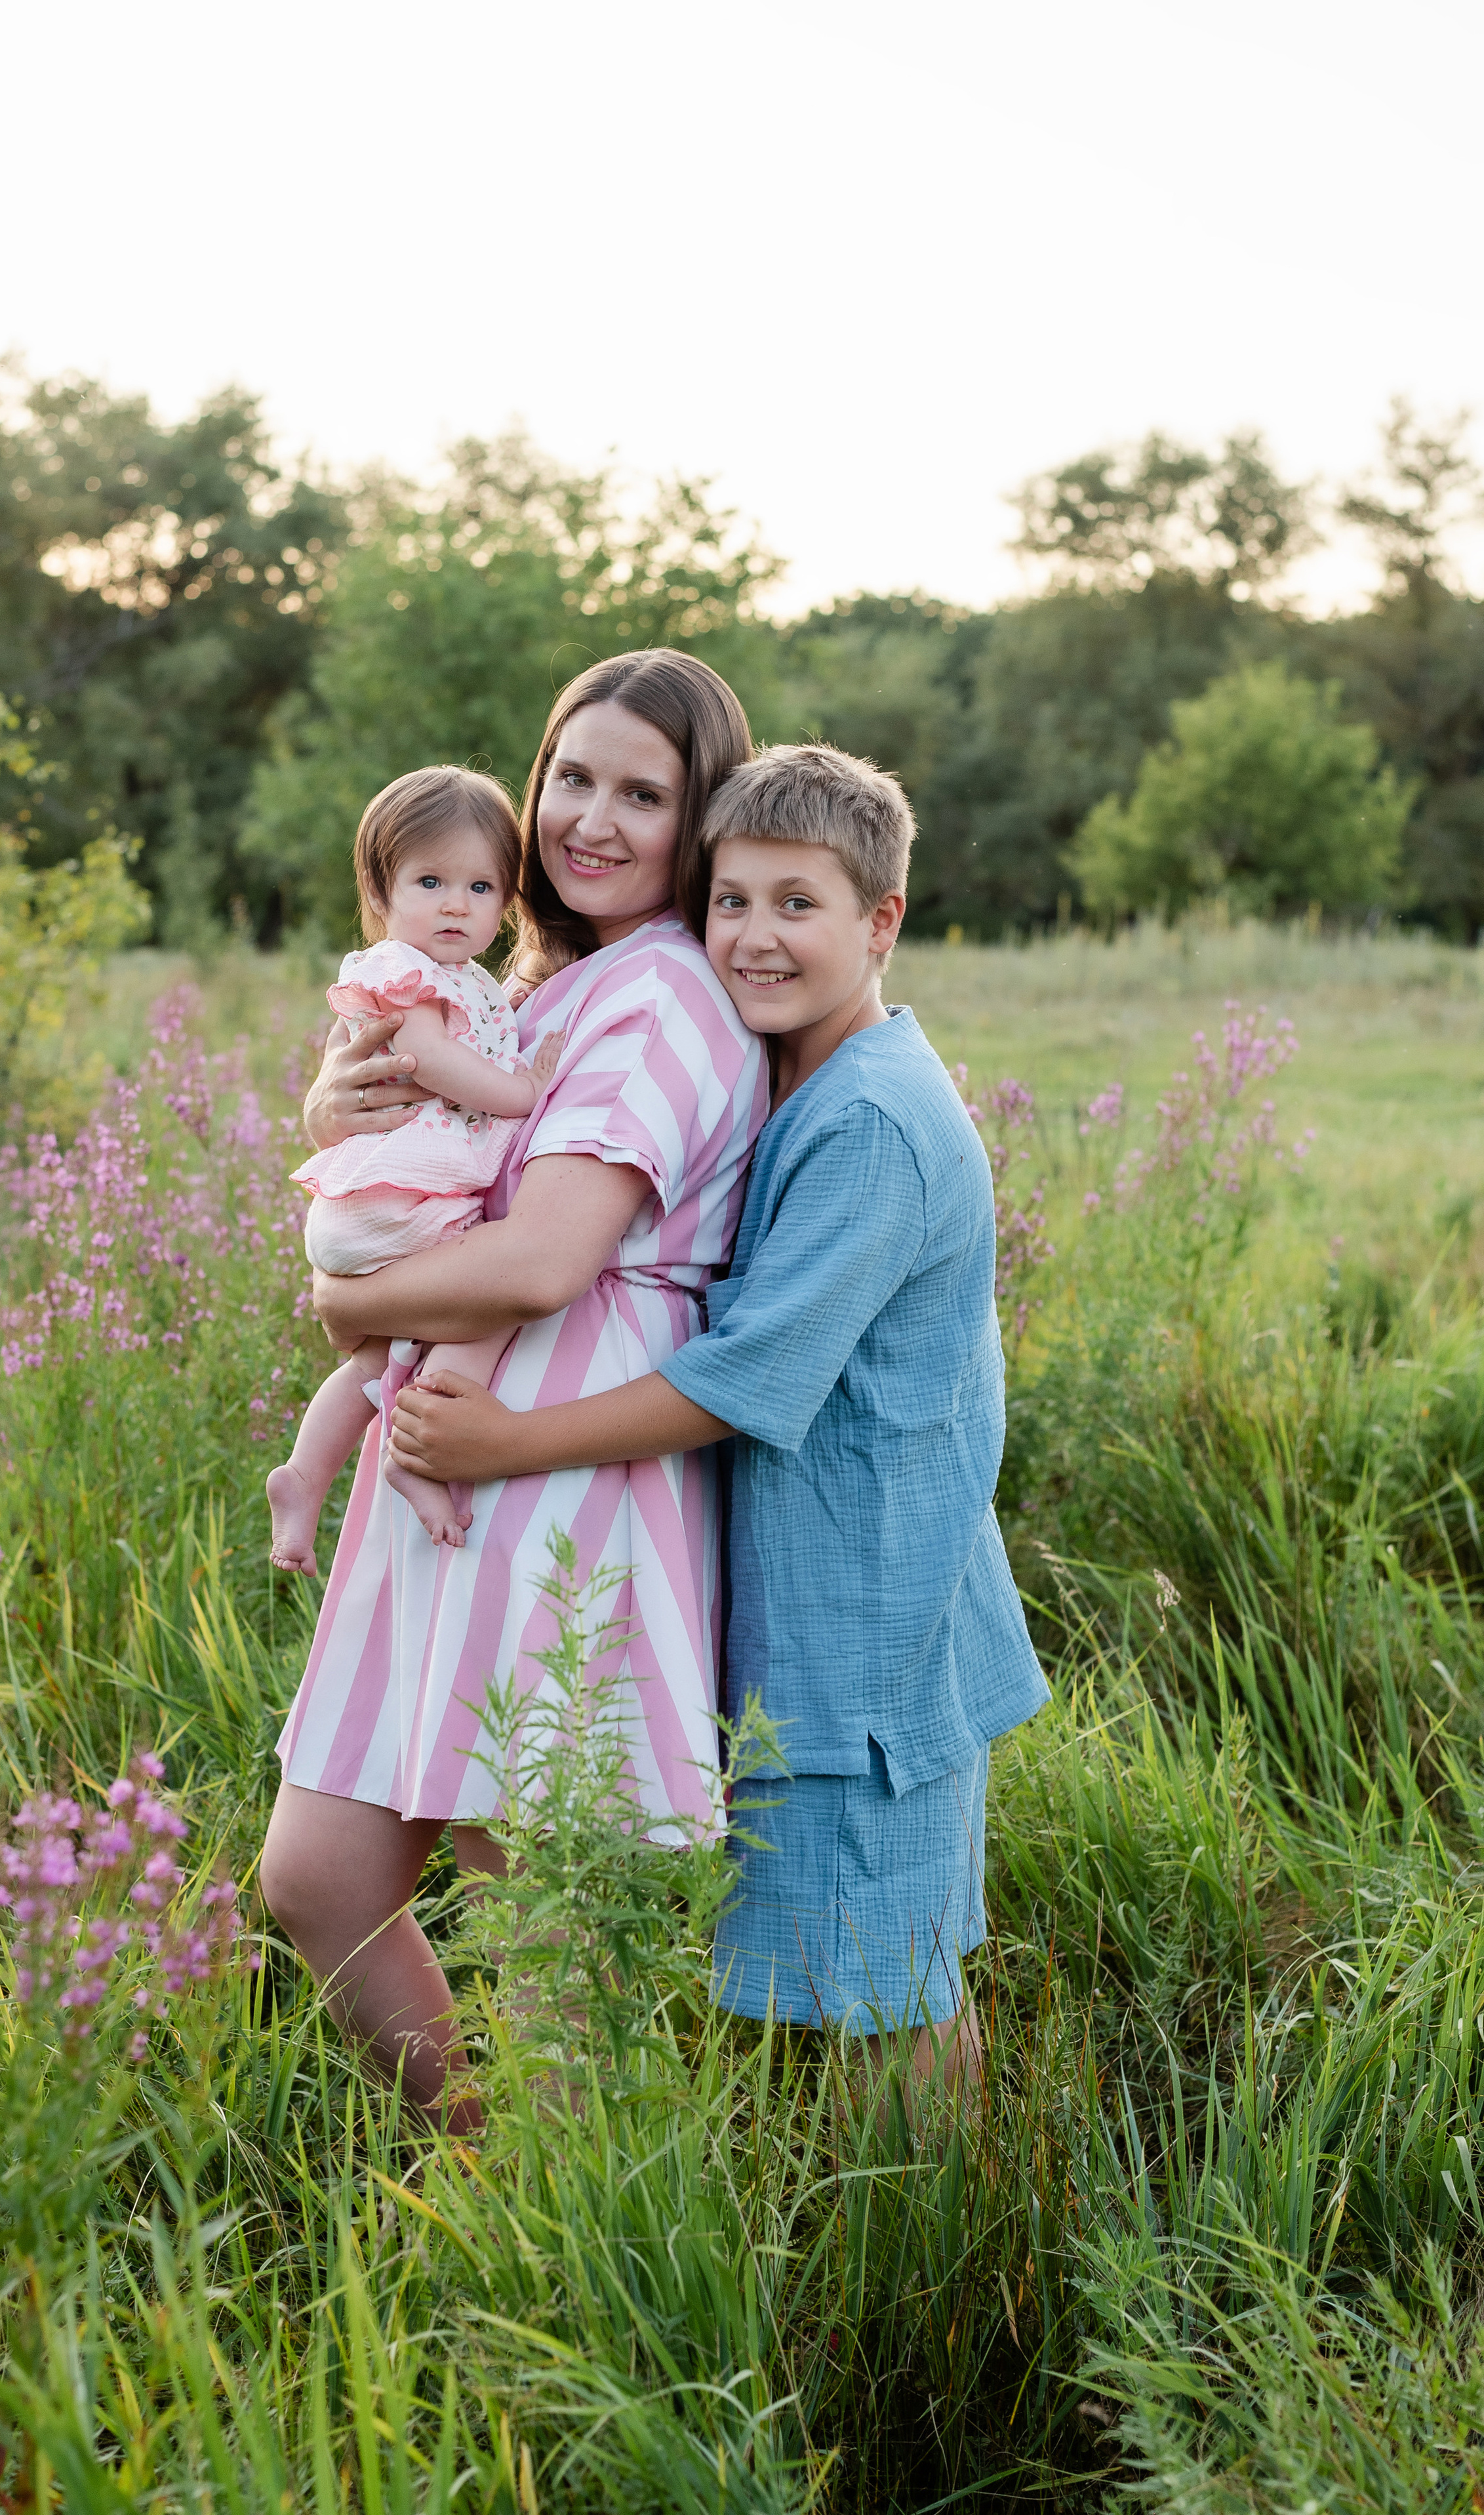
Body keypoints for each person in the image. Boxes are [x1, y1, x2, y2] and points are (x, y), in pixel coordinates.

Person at [390, 744, 1051, 2114]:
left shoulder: (872, 1122)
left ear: (881, 920)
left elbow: (745, 1378)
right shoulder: (803, 1081)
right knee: (843, 1977)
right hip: (826, 1623)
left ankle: (939, 2238)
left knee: (889, 2001)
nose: (754, 937)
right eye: (731, 901)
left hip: (867, 1638)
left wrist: (502, 1442)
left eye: (797, 904)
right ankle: (870, 2220)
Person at [258, 651, 771, 2123]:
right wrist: (339, 1107)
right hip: (448, 1436)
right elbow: (439, 1161)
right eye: (572, 777)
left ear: (698, 817)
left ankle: (556, 2215)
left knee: (536, 1907)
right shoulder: (539, 978)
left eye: (643, 794)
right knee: (320, 1876)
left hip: (557, 1456)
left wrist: (348, 1300)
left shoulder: (664, 992)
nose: (592, 819)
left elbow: (546, 1259)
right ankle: (478, 2158)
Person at [268, 765, 564, 1568]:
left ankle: (303, 1474)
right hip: (400, 1199)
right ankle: (416, 1456)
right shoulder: (406, 974)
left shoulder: (464, 980)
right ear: (380, 891)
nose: (455, 905)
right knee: (487, 1303)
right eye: (431, 882)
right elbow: (428, 1059)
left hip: (383, 1203)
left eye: (480, 887)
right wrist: (521, 1090)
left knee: (378, 1356)